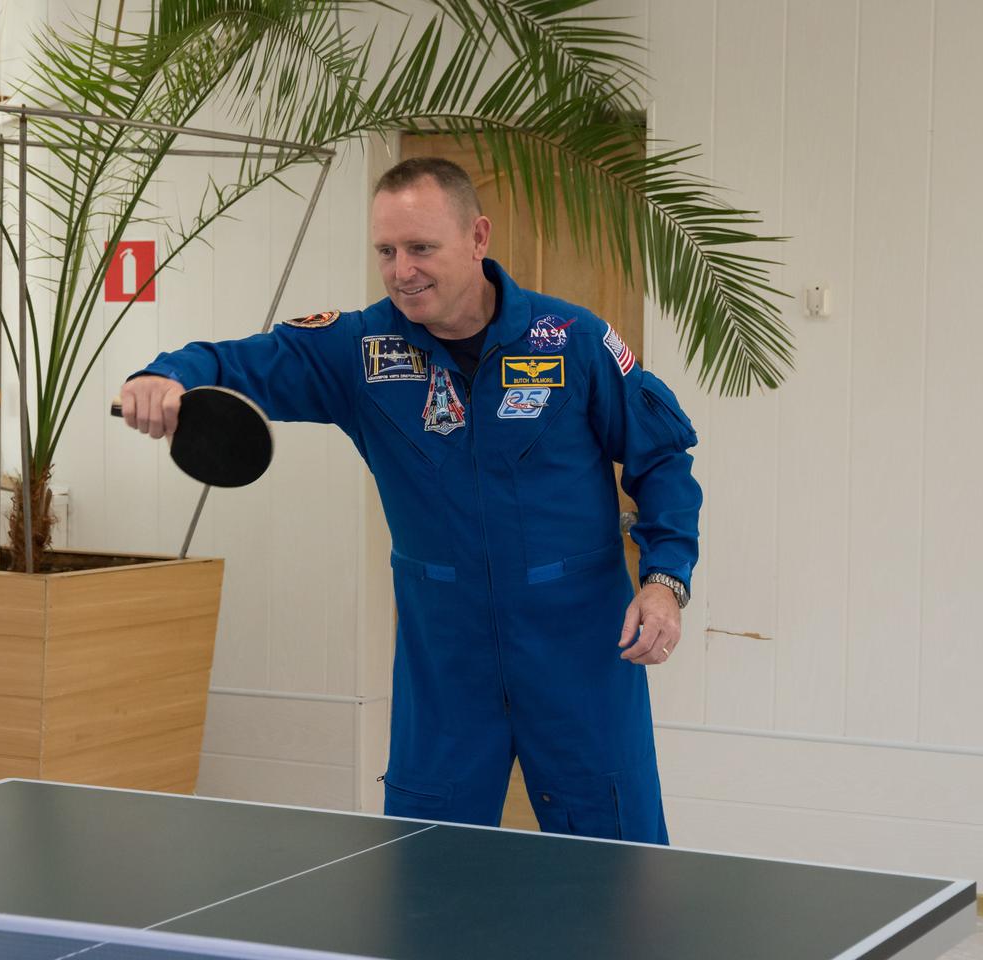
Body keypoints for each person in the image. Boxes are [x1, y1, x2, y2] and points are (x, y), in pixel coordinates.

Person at [120, 157, 702, 844]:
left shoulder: (573, 341)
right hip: (445, 660)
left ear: (478, 237)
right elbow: (229, 363)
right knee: (432, 871)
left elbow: (661, 457)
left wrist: (665, 583)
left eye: (421, 248)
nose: (401, 270)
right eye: (387, 251)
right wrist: (162, 376)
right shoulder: (357, 348)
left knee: (617, 868)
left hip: (581, 650)